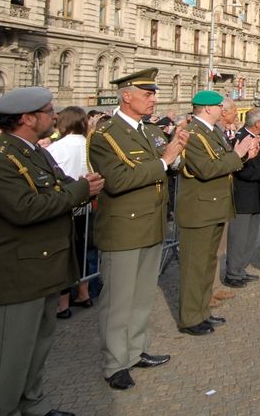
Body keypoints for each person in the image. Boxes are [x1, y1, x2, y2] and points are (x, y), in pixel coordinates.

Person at [0, 86, 104, 416]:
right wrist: (80, 189)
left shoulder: (37, 152)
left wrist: (75, 188)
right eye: (49, 111)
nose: (55, 116)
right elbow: (25, 209)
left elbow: (59, 185)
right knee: (11, 358)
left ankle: (33, 404)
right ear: (27, 118)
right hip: (19, 273)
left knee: (38, 348)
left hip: (46, 267)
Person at [87, 70, 190, 389]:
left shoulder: (149, 131)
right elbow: (117, 181)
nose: (153, 99)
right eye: (147, 94)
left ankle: (134, 349)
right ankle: (115, 362)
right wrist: (165, 161)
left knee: (142, 296)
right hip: (124, 227)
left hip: (151, 223)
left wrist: (173, 154)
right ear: (126, 96)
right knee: (118, 299)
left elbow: (168, 163)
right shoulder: (106, 134)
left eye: (153, 93)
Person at [177, 90, 258, 335]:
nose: (223, 111)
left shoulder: (211, 132)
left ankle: (202, 311)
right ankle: (190, 317)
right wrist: (238, 154)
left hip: (214, 205)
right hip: (199, 207)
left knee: (207, 263)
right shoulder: (193, 134)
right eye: (220, 107)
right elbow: (206, 168)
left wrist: (242, 157)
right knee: (195, 266)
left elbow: (225, 163)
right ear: (208, 109)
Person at [46, 106, 93, 322]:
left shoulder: (58, 148)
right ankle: (84, 293)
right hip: (88, 203)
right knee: (83, 249)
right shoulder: (89, 144)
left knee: (66, 252)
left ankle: (62, 303)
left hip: (66, 205)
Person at [224, 108, 260, 287]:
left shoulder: (257, 138)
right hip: (243, 195)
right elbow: (245, 171)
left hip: (255, 194)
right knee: (239, 237)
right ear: (257, 124)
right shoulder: (242, 138)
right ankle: (233, 273)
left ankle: (241, 269)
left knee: (250, 236)